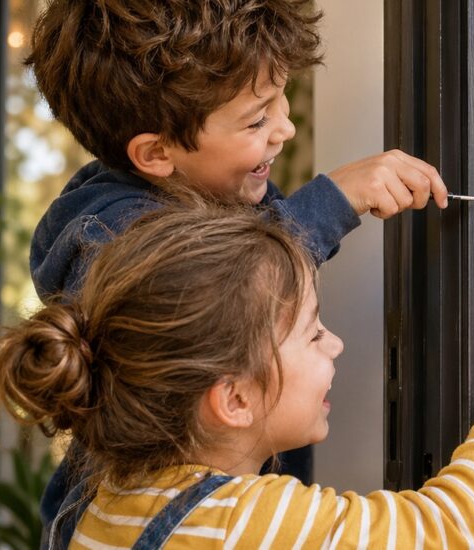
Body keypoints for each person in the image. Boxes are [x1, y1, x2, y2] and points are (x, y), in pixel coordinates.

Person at [24, 0, 449, 526]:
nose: (285, 128)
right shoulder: (117, 237)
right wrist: (332, 201)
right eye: (256, 119)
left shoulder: (218, 186)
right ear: (156, 154)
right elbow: (226, 289)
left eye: (280, 98)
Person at [0, 204, 474, 549]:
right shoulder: (245, 522)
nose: (337, 343)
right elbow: (445, 531)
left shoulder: (106, 500)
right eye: (314, 333)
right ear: (234, 398)